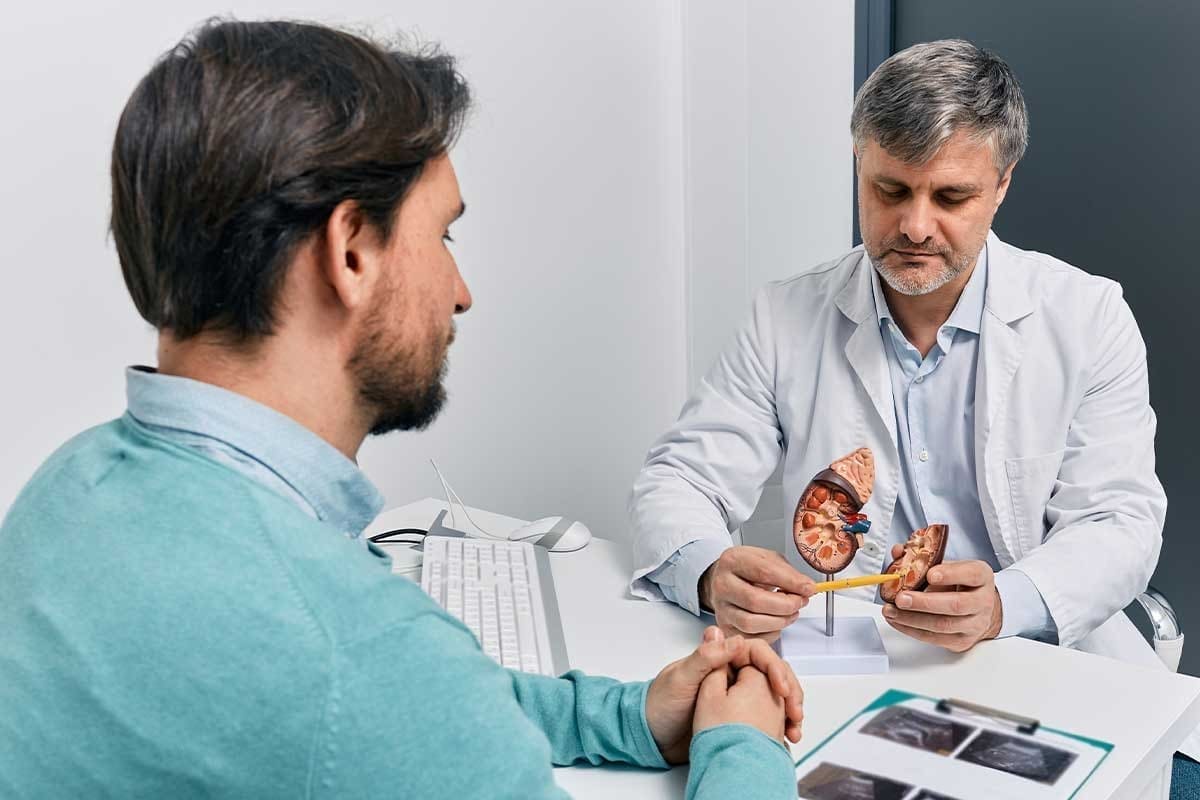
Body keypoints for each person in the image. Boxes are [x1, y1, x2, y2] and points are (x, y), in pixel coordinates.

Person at [0, 20, 805, 798]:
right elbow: (371, 693)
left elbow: (363, 713)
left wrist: (624, 715)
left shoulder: (66, 491)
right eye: (443, 237)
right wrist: (742, 744)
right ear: (351, 250)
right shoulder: (350, 650)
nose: (461, 293)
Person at [630, 38, 1168, 675]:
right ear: (858, 164)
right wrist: (710, 571)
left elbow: (1120, 519)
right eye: (890, 190)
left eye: (950, 198)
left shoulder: (1089, 317)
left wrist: (1006, 602)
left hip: (1033, 655)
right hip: (845, 660)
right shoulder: (783, 316)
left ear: (1002, 186)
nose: (914, 226)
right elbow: (681, 479)